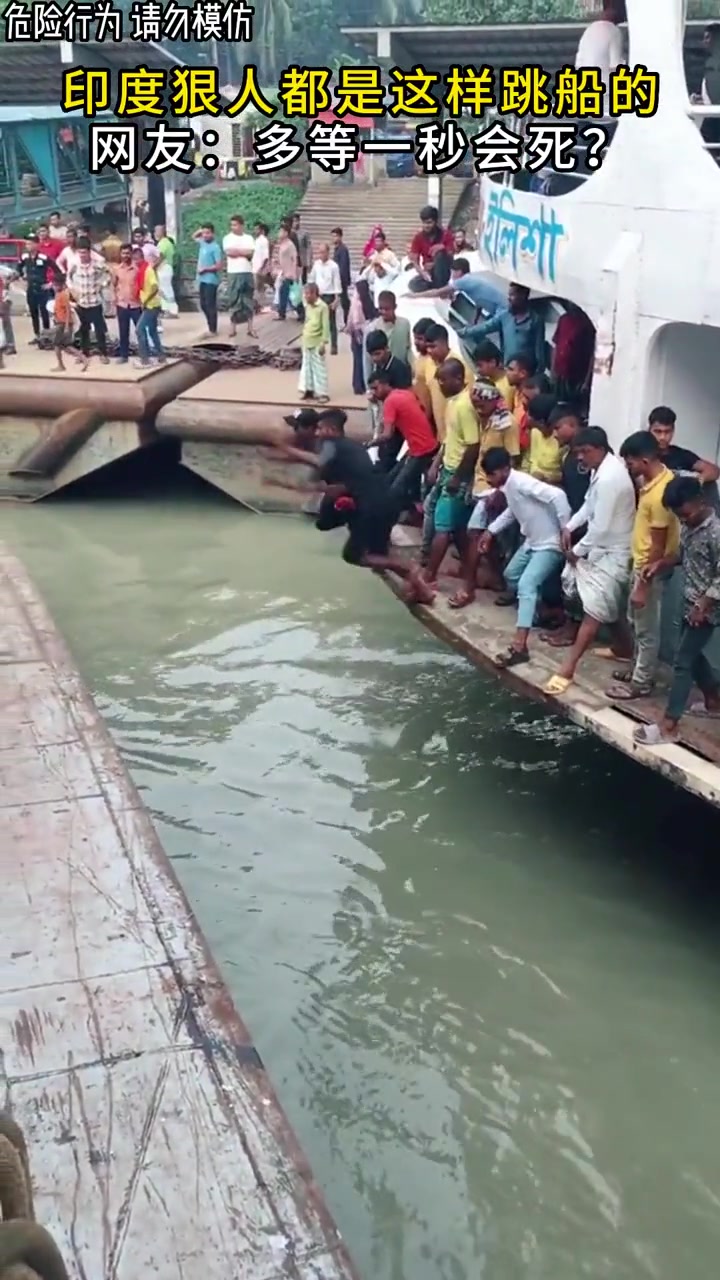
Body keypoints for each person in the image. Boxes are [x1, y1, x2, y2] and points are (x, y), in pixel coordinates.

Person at [271, 407, 434, 604]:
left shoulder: (330, 444)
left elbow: (320, 462)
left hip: (371, 508)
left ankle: (409, 570)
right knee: (372, 551)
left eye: (319, 428)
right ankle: (421, 591)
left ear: (330, 429)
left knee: (353, 556)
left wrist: (285, 449)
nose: (317, 433)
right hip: (383, 503)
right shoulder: (349, 447)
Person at [544, 427, 636, 695]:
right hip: (603, 548)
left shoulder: (609, 477)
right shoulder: (600, 470)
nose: (581, 458)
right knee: (609, 604)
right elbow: (588, 505)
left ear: (600, 449)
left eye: (585, 452)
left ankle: (568, 668)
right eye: (578, 453)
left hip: (614, 550)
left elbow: (601, 528)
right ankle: (624, 648)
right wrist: (569, 526)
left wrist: (577, 551)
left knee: (594, 610)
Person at [633, 476, 720, 745]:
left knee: (682, 661)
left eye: (685, 514)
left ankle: (669, 725)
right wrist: (659, 564)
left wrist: (703, 606)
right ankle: (714, 701)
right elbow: (682, 554)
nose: (683, 520)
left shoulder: (716, 533)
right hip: (689, 602)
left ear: (700, 501)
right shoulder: (690, 526)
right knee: (692, 655)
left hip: (707, 607)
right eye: (679, 516)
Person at [470, 447, 571, 666]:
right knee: (511, 575)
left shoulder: (522, 482)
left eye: (492, 475)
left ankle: (519, 646)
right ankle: (539, 614)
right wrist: (490, 531)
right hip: (531, 542)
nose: (489, 480)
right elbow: (512, 512)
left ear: (504, 469)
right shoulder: (509, 487)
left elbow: (558, 495)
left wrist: (566, 527)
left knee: (526, 585)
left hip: (549, 544)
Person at [603, 431, 680, 700]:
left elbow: (657, 547)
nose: (628, 467)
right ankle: (637, 669)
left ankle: (641, 682)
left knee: (646, 629)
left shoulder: (659, 495)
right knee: (635, 622)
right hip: (639, 563)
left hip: (649, 568)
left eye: (631, 462)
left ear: (645, 461)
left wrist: (643, 586)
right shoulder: (654, 482)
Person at [422, 358, 481, 588]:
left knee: (443, 527)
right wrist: (436, 463)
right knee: (458, 528)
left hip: (458, 473)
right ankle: (468, 572)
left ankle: (430, 576)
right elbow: (450, 439)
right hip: (447, 468)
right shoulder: (452, 402)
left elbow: (473, 445)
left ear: (458, 379)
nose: (440, 385)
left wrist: (457, 477)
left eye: (443, 381)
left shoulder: (465, 406)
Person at [539, 403, 592, 644]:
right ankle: (567, 623)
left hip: (586, 528)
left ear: (571, 424)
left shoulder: (584, 456)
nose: (555, 434)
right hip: (573, 524)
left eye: (558, 428)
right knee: (569, 579)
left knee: (579, 581)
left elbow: (586, 496)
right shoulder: (569, 455)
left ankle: (574, 630)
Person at [368, 369, 438, 508]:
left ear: (386, 384)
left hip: (420, 450)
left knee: (395, 490)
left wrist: (370, 443)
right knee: (394, 480)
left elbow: (387, 434)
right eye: (372, 390)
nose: (374, 393)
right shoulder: (405, 393)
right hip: (423, 446)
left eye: (376, 388)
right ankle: (414, 506)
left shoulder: (390, 402)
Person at [460, 283, 546, 372]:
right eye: (509, 295)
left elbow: (539, 350)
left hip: (526, 372)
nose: (509, 298)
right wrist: (463, 332)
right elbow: (485, 327)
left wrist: (539, 372)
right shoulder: (505, 316)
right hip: (509, 370)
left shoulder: (535, 320)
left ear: (523, 296)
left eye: (512, 295)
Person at [647, 405, 720, 486]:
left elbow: (714, 470)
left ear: (673, 431)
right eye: (658, 431)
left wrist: (697, 481)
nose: (662, 437)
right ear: (649, 430)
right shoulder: (642, 455)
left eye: (667, 432)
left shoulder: (680, 455)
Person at [575, 2, 626, 110]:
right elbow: (616, 66)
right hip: (605, 93)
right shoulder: (614, 31)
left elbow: (578, 63)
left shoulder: (589, 30)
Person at [418, 257, 506, 319]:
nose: (451, 275)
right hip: (501, 308)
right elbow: (479, 304)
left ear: (459, 272)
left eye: (452, 272)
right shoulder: (471, 279)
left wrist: (415, 295)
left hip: (502, 310)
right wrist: (474, 322)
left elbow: (438, 292)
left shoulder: (463, 281)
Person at [67, 239, 109, 363]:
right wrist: (72, 290)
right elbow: (68, 278)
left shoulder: (98, 263)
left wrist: (101, 285)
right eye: (80, 253)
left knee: (99, 329)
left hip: (95, 301)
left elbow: (108, 275)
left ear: (89, 252)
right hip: (81, 302)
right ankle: (85, 353)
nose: (82, 255)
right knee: (83, 330)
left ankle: (103, 353)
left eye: (84, 253)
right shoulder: (74, 264)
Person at [364, 291, 411, 386]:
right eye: (381, 309)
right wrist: (368, 386)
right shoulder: (372, 328)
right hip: (380, 380)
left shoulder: (404, 325)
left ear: (395, 307)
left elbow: (408, 349)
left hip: (399, 375)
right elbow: (367, 360)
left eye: (387, 309)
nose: (384, 312)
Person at [223, 214, 256, 339]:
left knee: (248, 299)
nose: (233, 227)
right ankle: (232, 328)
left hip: (247, 271)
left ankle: (250, 328)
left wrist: (237, 251)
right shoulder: (227, 238)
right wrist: (243, 252)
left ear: (241, 225)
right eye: (232, 225)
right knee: (234, 299)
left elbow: (251, 253)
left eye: (235, 225)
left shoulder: (249, 238)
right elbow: (229, 252)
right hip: (234, 272)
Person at [407, 205, 454, 292]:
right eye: (424, 223)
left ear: (435, 222)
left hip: (443, 272)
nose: (426, 226)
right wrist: (423, 273)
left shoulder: (446, 234)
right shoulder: (418, 237)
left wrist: (442, 248)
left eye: (429, 223)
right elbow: (415, 261)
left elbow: (451, 256)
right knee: (413, 284)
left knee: (439, 254)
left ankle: (440, 288)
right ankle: (434, 287)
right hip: (429, 274)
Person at [15, 234, 52, 341]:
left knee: (44, 312)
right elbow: (18, 268)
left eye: (30, 243)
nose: (28, 246)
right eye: (27, 244)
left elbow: (57, 270)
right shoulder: (24, 256)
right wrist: (21, 276)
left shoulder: (43, 257)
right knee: (33, 312)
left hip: (42, 288)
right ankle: (37, 335)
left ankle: (46, 335)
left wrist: (50, 284)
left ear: (37, 244)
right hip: (31, 288)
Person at [134, 244, 165, 368]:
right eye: (134, 259)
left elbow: (155, 287)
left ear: (142, 258)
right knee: (152, 331)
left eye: (138, 259)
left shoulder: (148, 270)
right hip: (150, 304)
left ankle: (145, 360)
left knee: (139, 329)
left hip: (152, 305)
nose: (136, 262)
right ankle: (161, 357)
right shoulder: (142, 271)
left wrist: (146, 301)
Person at [299, 281, 330, 402]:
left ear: (314, 294)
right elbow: (307, 321)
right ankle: (308, 390)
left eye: (308, 294)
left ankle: (322, 393)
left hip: (317, 341)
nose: (305, 296)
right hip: (307, 339)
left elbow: (326, 326)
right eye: (305, 294)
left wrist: (324, 342)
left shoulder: (323, 307)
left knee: (319, 368)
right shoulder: (307, 305)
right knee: (306, 367)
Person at [309, 242, 342, 356]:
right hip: (318, 295)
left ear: (328, 252)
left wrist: (336, 299)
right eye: (319, 252)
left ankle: (334, 345)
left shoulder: (334, 266)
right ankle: (319, 345)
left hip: (329, 295)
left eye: (323, 252)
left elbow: (337, 282)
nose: (321, 255)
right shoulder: (316, 265)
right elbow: (312, 279)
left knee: (331, 321)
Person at [112, 241, 141, 362]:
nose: (125, 256)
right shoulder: (117, 269)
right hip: (122, 304)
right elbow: (114, 285)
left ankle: (144, 355)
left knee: (140, 330)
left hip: (136, 304)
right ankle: (124, 356)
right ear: (120, 254)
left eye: (128, 253)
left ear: (131, 254)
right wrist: (115, 299)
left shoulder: (137, 268)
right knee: (123, 332)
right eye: (123, 253)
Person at [346, 278, 376, 395]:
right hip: (365, 333)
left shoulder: (356, 303)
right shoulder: (367, 302)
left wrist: (349, 329)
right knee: (364, 360)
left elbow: (353, 320)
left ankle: (358, 385)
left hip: (356, 335)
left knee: (357, 360)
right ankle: (363, 383)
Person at [192, 222, 222, 337]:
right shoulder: (203, 243)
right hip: (202, 279)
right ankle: (210, 326)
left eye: (208, 233)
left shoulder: (215, 247)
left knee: (210, 304)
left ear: (213, 233)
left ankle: (213, 329)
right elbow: (194, 236)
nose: (205, 235)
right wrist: (201, 230)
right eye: (204, 233)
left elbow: (218, 265)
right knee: (203, 304)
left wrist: (205, 269)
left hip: (211, 280)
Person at [527, 395, 563, 484]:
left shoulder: (561, 439)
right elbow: (532, 461)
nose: (528, 418)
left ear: (542, 422)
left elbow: (565, 475)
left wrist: (546, 478)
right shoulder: (535, 432)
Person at [50, 273, 79, 372]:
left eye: (56, 285)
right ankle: (82, 358)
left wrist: (66, 326)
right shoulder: (58, 295)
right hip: (60, 322)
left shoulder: (63, 295)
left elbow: (68, 310)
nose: (54, 287)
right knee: (66, 346)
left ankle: (61, 365)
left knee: (57, 345)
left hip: (63, 323)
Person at [275, 223, 301, 321]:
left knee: (291, 294)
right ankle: (282, 313)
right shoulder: (282, 244)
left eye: (281, 231)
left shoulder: (290, 245)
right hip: (284, 272)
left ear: (286, 233)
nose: (279, 233)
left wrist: (293, 273)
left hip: (289, 273)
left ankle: (300, 311)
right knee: (285, 293)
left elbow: (294, 259)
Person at [154, 223, 179, 318]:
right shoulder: (166, 242)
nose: (155, 233)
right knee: (163, 289)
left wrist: (153, 266)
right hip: (165, 268)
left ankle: (172, 310)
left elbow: (160, 256)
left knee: (166, 289)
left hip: (164, 268)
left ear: (162, 232)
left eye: (156, 231)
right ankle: (166, 309)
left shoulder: (163, 243)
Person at [331, 227, 351, 325]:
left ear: (340, 237)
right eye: (333, 236)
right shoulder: (337, 249)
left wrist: (340, 279)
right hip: (338, 279)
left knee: (344, 302)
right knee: (343, 301)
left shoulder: (343, 250)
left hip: (341, 279)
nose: (334, 238)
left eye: (335, 236)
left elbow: (343, 266)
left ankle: (347, 321)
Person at [251, 221, 271, 306]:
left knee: (259, 288)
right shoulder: (256, 240)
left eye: (257, 229)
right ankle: (258, 305)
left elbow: (266, 256)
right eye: (254, 229)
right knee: (257, 288)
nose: (255, 231)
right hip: (255, 267)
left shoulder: (263, 240)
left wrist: (261, 268)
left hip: (259, 268)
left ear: (261, 230)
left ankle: (261, 305)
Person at [291, 212, 313, 283]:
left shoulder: (304, 233)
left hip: (302, 261)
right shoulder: (289, 234)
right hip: (292, 261)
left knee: (303, 281)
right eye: (294, 221)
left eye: (297, 221)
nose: (295, 223)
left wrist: (309, 261)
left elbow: (308, 247)